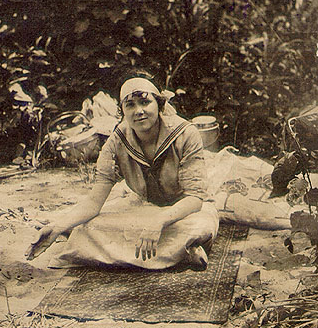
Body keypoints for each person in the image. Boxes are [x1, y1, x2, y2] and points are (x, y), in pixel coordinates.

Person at [25, 71, 219, 270]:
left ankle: (175, 249)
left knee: (197, 227)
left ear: (159, 105)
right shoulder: (117, 141)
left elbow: (195, 198)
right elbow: (94, 201)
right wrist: (57, 229)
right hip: (144, 208)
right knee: (88, 227)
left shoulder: (186, 133)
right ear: (122, 111)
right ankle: (179, 253)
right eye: (130, 105)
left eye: (145, 102)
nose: (138, 111)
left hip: (185, 210)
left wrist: (159, 222)